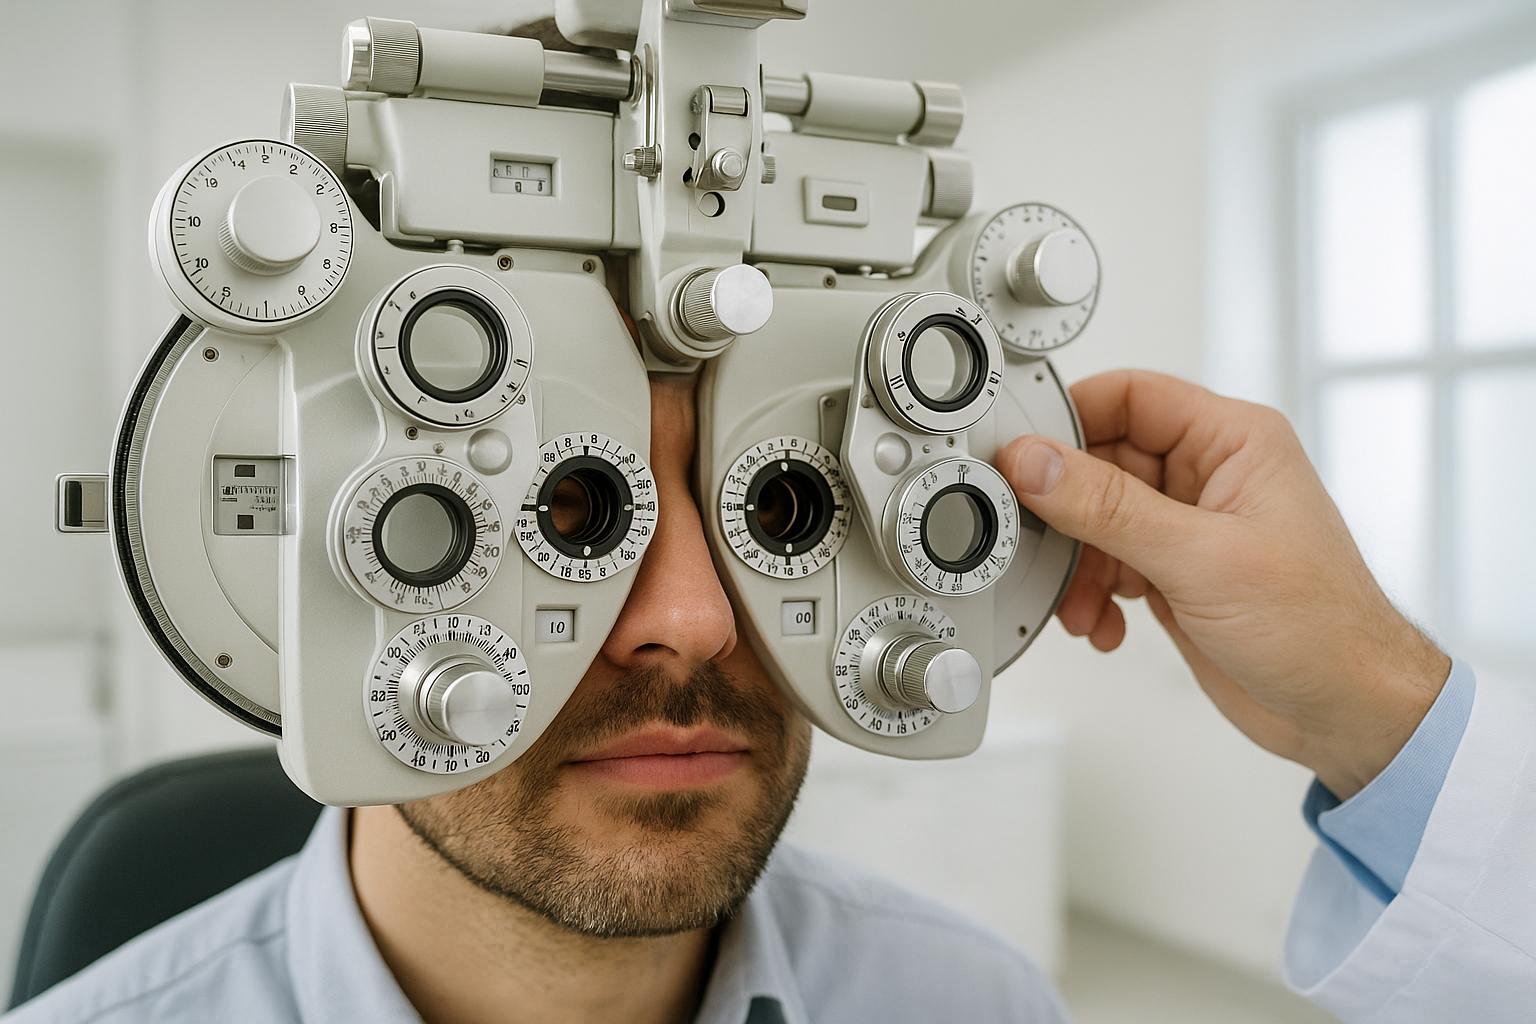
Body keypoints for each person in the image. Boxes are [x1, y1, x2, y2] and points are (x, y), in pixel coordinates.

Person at [5, 366, 1529, 1024]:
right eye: (571, 512)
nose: (688, 622)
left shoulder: (975, 1006)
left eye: (777, 510)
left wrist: (1378, 712)